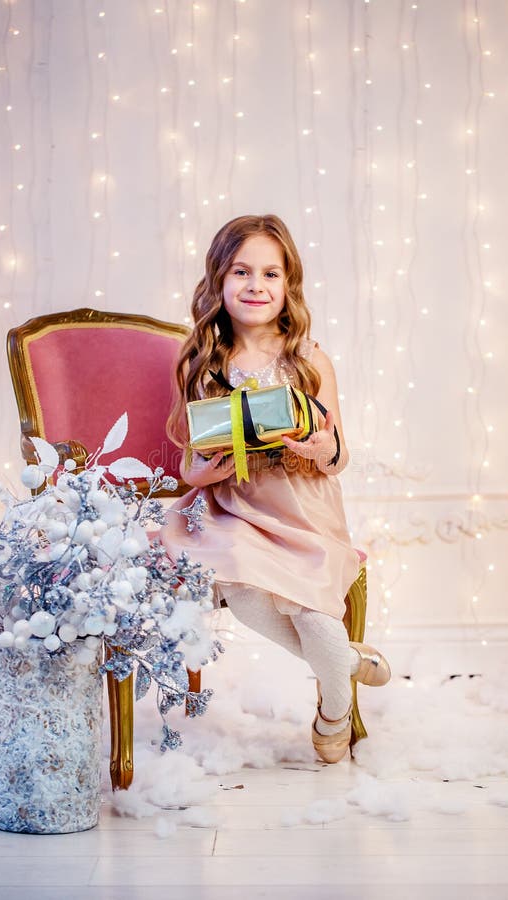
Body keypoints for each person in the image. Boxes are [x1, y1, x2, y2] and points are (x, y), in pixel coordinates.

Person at [164, 214, 390, 763]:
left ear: (288, 285)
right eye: (241, 271)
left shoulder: (309, 360)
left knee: (312, 613)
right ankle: (342, 659)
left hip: (303, 512)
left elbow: (338, 454)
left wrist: (318, 448)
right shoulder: (204, 363)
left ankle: (334, 705)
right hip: (236, 510)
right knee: (239, 577)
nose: (256, 285)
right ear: (219, 280)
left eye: (270, 273)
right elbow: (191, 464)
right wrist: (210, 470)